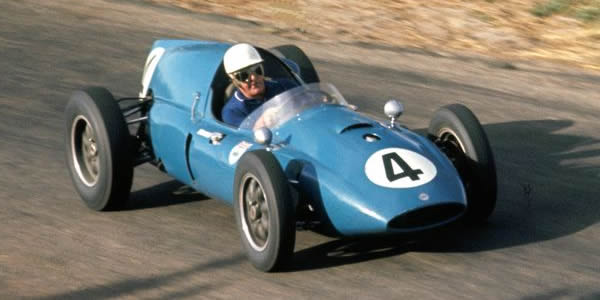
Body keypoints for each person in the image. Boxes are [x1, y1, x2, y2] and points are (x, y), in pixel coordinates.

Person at [221, 43, 297, 127]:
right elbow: (249, 135)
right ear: (234, 81)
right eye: (244, 75)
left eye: (257, 70)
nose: (253, 77)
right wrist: (262, 122)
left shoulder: (284, 85)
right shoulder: (233, 112)